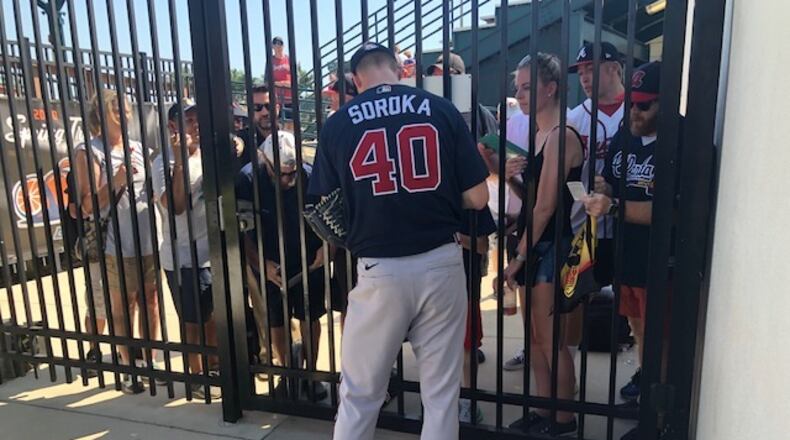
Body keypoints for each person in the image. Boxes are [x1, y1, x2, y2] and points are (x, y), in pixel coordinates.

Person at [309, 42, 489, 440]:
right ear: (400, 71)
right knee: (441, 394)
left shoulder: (338, 124)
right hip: (441, 260)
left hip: (379, 267)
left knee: (360, 393)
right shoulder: (440, 109)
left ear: (356, 81)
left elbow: (323, 207)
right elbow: (479, 197)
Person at [495, 53, 584, 435]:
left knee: (551, 340)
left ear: (551, 88)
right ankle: (545, 411)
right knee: (534, 339)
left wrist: (516, 258)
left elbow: (548, 207)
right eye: (518, 88)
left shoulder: (562, 135)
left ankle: (563, 420)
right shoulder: (538, 135)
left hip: (550, 246)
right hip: (537, 243)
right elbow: (532, 199)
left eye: (529, 87)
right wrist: (509, 176)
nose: (522, 95)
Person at [581, 62, 669, 440]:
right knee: (638, 328)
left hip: (660, 260)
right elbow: (617, 182)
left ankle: (659, 418)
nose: (635, 111)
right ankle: (647, 391)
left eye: (646, 105)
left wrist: (613, 206)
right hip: (627, 254)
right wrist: (606, 188)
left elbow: (669, 210)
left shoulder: (680, 142)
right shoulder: (625, 135)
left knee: (660, 338)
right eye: (633, 103)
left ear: (666, 104)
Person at [74, 89, 159, 394]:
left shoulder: (139, 147)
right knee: (123, 306)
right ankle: (128, 369)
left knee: (150, 301)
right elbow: (86, 205)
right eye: (117, 111)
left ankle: (149, 362)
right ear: (102, 115)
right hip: (115, 242)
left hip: (147, 237)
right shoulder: (89, 151)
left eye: (126, 110)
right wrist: (117, 180)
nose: (124, 115)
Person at [236, 131, 328, 401]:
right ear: (265, 160)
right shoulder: (247, 180)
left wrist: (326, 247)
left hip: (309, 256)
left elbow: (329, 213)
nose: (289, 180)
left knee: (310, 315)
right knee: (276, 318)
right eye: (283, 174)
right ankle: (289, 374)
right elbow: (242, 232)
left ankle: (310, 375)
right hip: (269, 256)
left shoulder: (310, 175)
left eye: (293, 173)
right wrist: (261, 265)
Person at [152, 102, 219, 399]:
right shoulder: (161, 163)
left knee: (213, 315)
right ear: (172, 127)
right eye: (189, 121)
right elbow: (176, 206)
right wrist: (180, 161)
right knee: (192, 320)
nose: (196, 126)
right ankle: (196, 374)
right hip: (181, 257)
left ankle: (215, 367)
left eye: (198, 120)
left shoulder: (208, 154)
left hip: (212, 253)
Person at [457, 207, 496, 424]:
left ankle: (468, 401)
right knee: (435, 347)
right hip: (432, 286)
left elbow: (481, 245)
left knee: (467, 347)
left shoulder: (471, 201)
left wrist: (450, 235)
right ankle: (444, 399)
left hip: (465, 282)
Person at [234, 84, 279, 175]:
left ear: (278, 108)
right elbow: (238, 141)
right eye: (257, 107)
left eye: (269, 106)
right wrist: (237, 144)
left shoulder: (289, 138)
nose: (265, 112)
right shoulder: (244, 137)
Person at [271, 36, 292, 107]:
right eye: (276, 44)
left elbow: (296, 79)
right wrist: (279, 84)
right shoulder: (270, 61)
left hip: (290, 98)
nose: (279, 46)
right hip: (276, 100)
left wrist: (283, 83)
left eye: (281, 44)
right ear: (273, 46)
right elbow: (267, 80)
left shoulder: (289, 59)